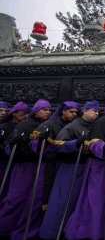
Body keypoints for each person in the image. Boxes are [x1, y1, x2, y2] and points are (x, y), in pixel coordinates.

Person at [64, 98, 105, 240]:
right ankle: (87, 232)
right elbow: (95, 143)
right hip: (99, 166)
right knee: (94, 200)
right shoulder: (103, 122)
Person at [38, 100, 100, 239]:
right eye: (94, 111)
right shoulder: (72, 126)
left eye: (98, 112)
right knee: (63, 201)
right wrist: (75, 144)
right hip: (70, 167)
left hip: (88, 167)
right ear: (85, 111)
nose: (97, 114)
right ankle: (51, 234)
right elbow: (58, 146)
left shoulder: (96, 126)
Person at [0, 99, 52, 239]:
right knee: (15, 198)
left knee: (35, 200)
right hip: (24, 166)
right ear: (36, 110)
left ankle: (27, 232)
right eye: (44, 109)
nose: (48, 112)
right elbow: (8, 147)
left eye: (49, 110)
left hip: (41, 166)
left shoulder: (48, 125)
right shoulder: (24, 125)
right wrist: (13, 144)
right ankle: (4, 229)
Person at [31, 101, 81, 221]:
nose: (74, 114)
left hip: (62, 164)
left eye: (76, 112)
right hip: (48, 164)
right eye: (71, 112)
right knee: (44, 192)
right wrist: (41, 142)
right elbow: (34, 144)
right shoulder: (50, 123)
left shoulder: (74, 124)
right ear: (63, 111)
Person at [0, 101, 29, 199]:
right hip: (4, 161)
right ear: (14, 113)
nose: (3, 113)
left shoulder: (25, 126)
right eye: (22, 113)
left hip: (16, 161)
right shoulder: (5, 126)